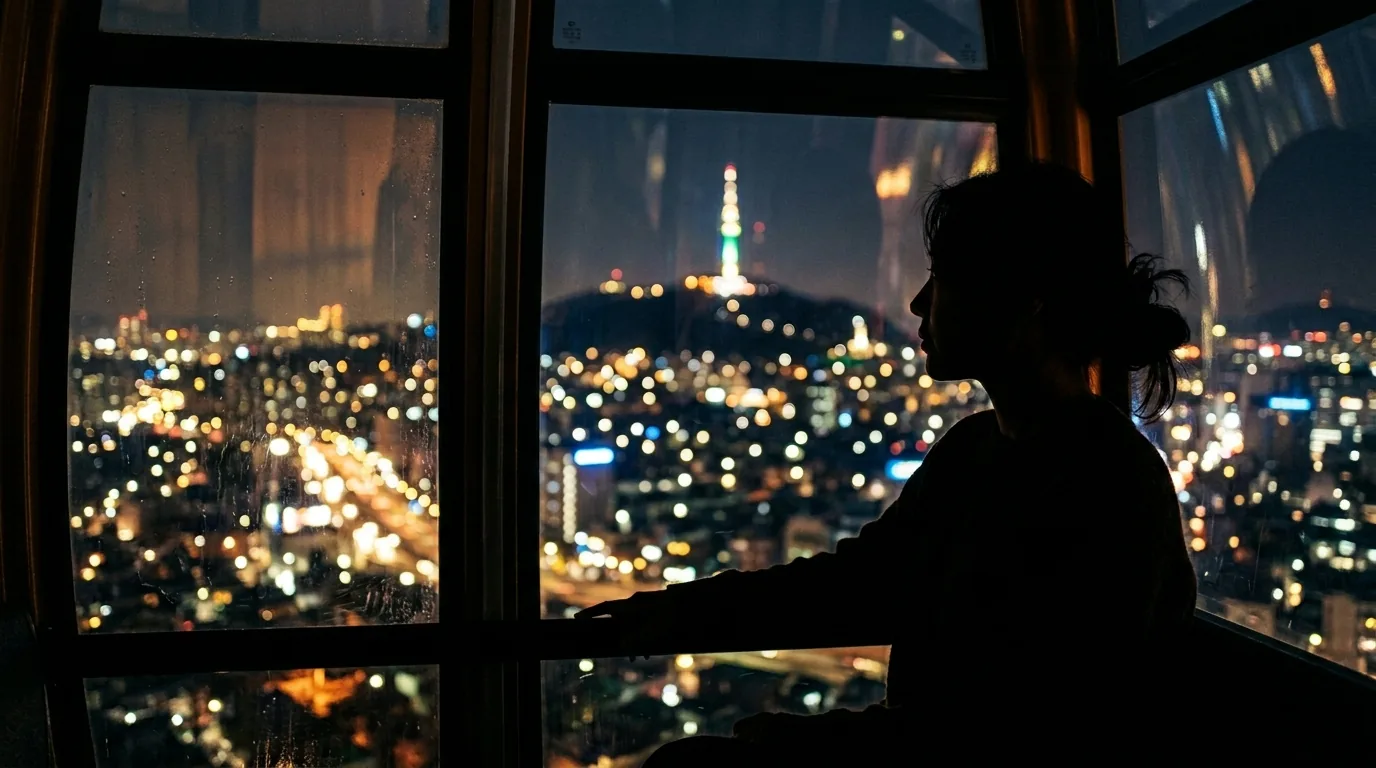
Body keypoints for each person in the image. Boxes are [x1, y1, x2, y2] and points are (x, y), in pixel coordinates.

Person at [579, 163, 1199, 765]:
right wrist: (684, 611)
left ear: (1026, 300)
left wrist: (797, 744)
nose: (918, 302)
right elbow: (863, 581)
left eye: (945, 277)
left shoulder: (1105, 485)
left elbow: (1023, 729)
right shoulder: (979, 448)